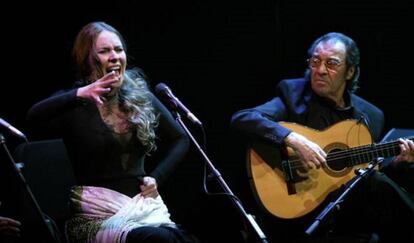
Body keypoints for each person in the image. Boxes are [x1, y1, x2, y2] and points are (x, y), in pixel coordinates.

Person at [230, 32, 414, 242]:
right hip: (303, 207)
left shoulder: (370, 115)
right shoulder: (294, 94)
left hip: (351, 216)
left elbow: (366, 170)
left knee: (374, 182)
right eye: (315, 61)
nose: (320, 70)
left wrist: (398, 164)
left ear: (350, 71)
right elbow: (243, 117)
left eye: (331, 63)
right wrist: (292, 139)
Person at [27, 21, 197, 243]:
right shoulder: (75, 103)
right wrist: (80, 93)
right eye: (104, 51)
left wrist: (157, 177)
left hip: (142, 209)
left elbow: (181, 138)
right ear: (87, 59)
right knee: (157, 239)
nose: (115, 56)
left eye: (119, 49)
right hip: (97, 218)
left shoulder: (138, 95)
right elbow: (32, 118)